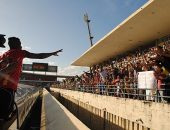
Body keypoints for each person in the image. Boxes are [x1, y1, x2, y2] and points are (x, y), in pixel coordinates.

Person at [0, 37, 63, 120]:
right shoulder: (20, 52)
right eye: (19, 43)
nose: (20, 44)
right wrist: (52, 53)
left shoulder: (3, 55)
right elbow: (39, 56)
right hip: (9, 89)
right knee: (5, 117)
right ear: (14, 44)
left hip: (2, 87)